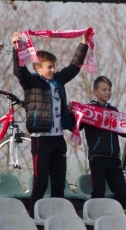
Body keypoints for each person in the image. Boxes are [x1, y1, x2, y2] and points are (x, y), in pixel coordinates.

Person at [11, 32, 89, 217]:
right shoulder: (31, 82)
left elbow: (74, 67)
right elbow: (19, 71)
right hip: (41, 140)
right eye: (49, 67)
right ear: (38, 68)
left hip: (58, 139)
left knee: (59, 182)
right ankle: (35, 218)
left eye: (54, 67)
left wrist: (83, 44)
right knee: (40, 182)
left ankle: (57, 217)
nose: (53, 70)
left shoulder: (58, 81)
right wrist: (17, 49)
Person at [78, 76, 126, 205]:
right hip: (98, 157)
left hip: (114, 157)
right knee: (98, 192)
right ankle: (95, 220)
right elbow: (77, 125)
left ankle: (115, 217)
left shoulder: (114, 111)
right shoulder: (89, 109)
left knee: (121, 192)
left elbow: (125, 131)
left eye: (109, 90)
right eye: (104, 89)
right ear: (95, 92)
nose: (107, 92)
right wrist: (74, 112)